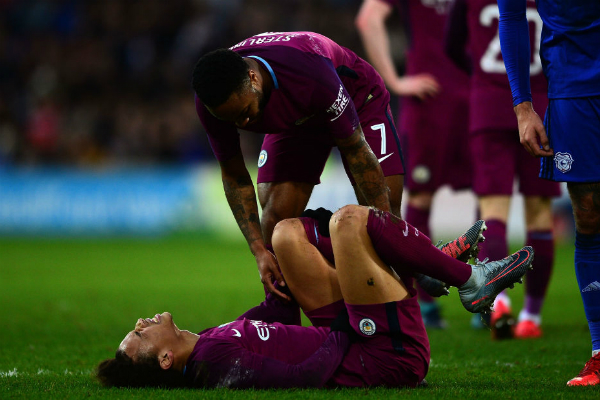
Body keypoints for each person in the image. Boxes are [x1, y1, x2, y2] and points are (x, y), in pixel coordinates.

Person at [96, 205, 534, 388]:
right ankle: (466, 279)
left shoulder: (208, 340)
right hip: (383, 353)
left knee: (286, 234)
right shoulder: (213, 362)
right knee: (348, 223)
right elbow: (302, 375)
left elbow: (278, 315)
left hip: (352, 336)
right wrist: (348, 325)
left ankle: (420, 269)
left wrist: (274, 273)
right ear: (165, 360)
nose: (140, 324)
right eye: (140, 336)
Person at [192, 31, 405, 303]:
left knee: (384, 209)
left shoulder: (308, 70)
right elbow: (234, 176)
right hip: (297, 119)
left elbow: (355, 149)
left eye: (244, 112)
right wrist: (258, 251)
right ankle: (282, 315)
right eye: (230, 120)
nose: (242, 124)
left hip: (357, 98)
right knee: (275, 219)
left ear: (253, 78)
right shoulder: (212, 101)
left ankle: (402, 301)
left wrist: (386, 233)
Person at [497, 0, 600, 386]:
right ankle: (599, 351)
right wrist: (522, 107)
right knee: (588, 212)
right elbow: (511, 16)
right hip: (572, 86)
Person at [444, 0, 561, 340]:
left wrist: (482, 76)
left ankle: (500, 304)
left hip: (491, 105)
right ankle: (531, 317)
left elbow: (452, 44)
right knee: (540, 214)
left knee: (493, 212)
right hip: (541, 105)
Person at [355, 0, 472, 329]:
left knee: (432, 198)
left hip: (449, 98)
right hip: (444, 96)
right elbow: (368, 18)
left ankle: (427, 304)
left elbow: (368, 17)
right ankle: (484, 301)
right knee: (489, 200)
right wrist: (393, 81)